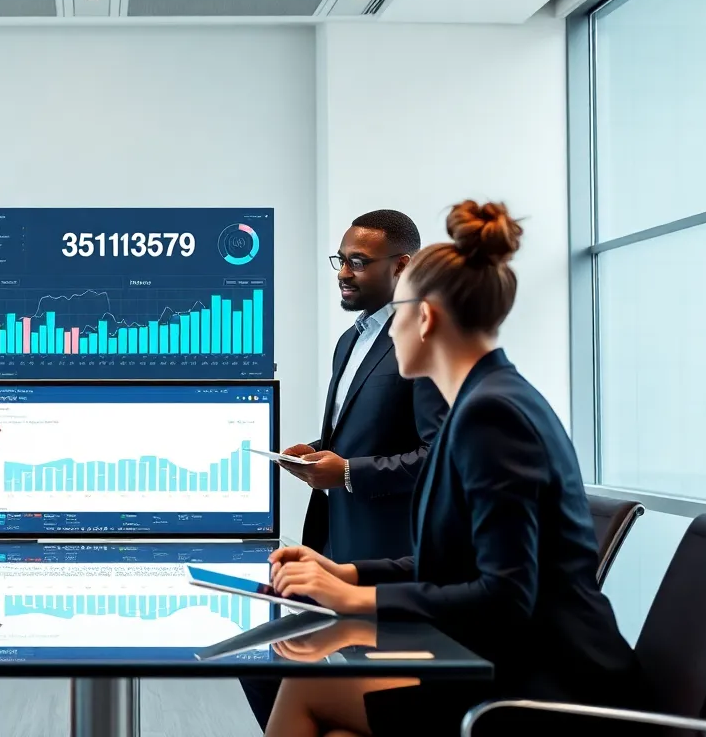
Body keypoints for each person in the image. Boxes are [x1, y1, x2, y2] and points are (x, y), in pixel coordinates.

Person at [263, 201, 649, 737]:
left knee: (307, 685)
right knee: (339, 719)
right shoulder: (487, 401)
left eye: (396, 314)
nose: (389, 331)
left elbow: (506, 595)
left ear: (425, 317)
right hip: (507, 664)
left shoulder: (493, 416)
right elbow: (459, 565)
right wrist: (346, 572)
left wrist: (355, 599)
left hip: (548, 686)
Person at [241, 210, 447, 729]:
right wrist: (314, 452)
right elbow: (355, 436)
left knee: (296, 670)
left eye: (359, 262)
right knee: (262, 656)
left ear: (402, 266)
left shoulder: (423, 339)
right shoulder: (350, 341)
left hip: (392, 554)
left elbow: (441, 457)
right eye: (341, 260)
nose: (344, 273)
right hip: (337, 543)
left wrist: (349, 472)